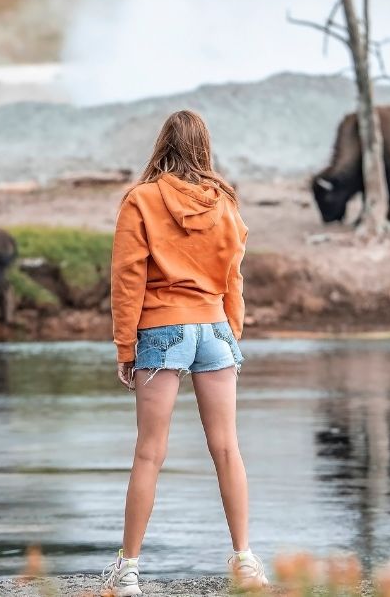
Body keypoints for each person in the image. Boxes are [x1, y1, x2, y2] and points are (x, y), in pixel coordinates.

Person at [101, 110, 267, 596]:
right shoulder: (226, 203)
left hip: (160, 328)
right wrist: (230, 333)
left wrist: (125, 345)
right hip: (214, 327)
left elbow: (128, 278)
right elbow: (234, 275)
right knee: (227, 449)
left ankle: (128, 570)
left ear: (162, 144)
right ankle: (245, 561)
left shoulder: (141, 200)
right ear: (204, 148)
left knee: (149, 453)